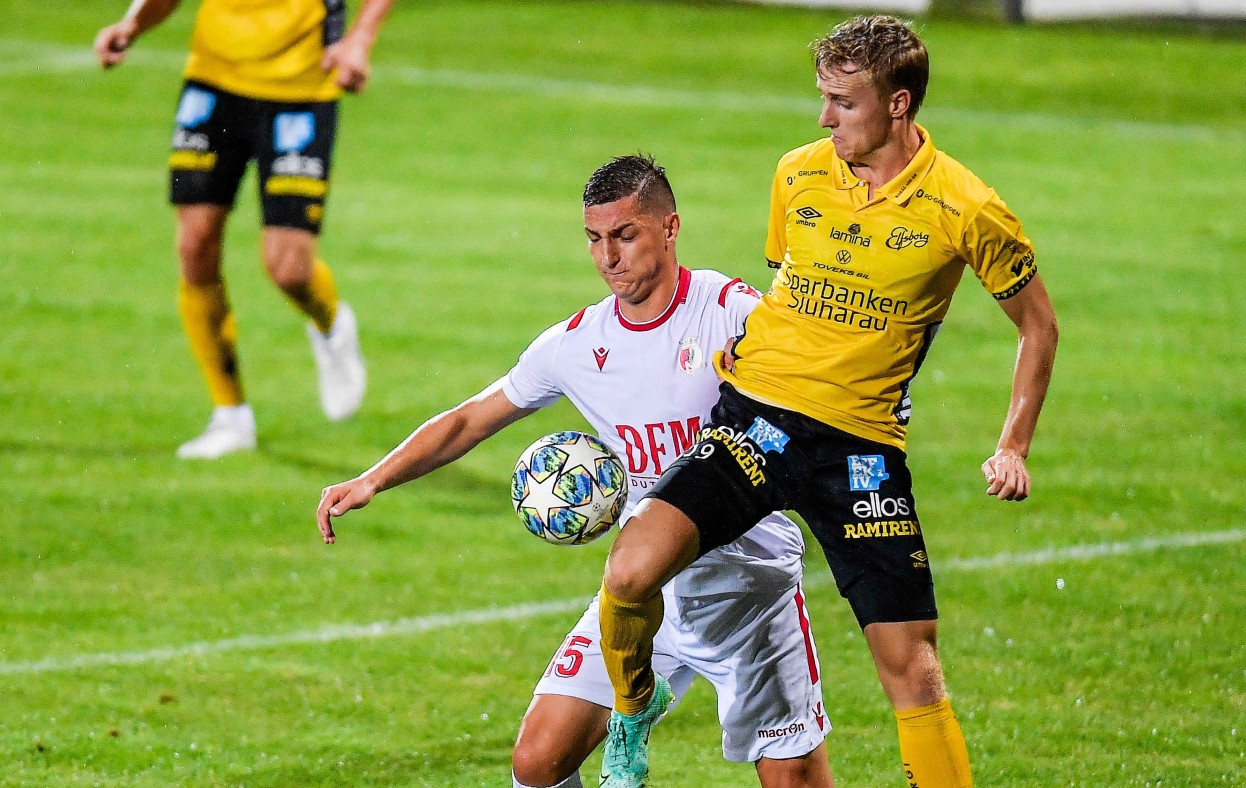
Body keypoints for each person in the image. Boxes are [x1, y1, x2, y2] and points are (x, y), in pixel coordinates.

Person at [593, 16, 1060, 788]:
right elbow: (788, 283)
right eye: (823, 98)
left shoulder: (967, 207)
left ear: (898, 103)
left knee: (911, 665)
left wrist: (1013, 444)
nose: (823, 119)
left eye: (843, 103)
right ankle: (633, 709)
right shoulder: (798, 174)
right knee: (630, 572)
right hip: (757, 420)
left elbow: (1038, 327)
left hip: (860, 450)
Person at [316, 156, 835, 788]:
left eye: (625, 235)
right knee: (537, 762)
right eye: (594, 238)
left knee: (794, 777)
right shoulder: (577, 345)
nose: (608, 257)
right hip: (640, 594)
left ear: (670, 227)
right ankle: (635, 701)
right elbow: (470, 419)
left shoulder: (730, 311)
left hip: (748, 588)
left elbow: (815, 394)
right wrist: (373, 478)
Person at [94, 0, 395, 458]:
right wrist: (132, 25)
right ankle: (230, 415)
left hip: (302, 88)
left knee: (288, 269)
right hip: (213, 81)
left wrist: (360, 38)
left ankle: (332, 324)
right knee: (194, 247)